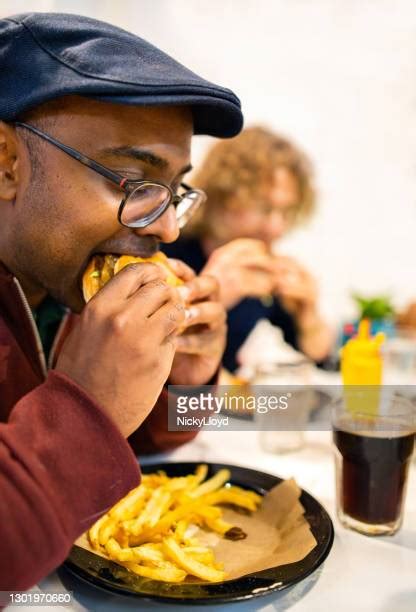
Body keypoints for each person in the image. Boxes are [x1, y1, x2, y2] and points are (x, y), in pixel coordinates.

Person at [0, 12, 243, 590]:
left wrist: (177, 384)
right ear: (7, 162)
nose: (167, 231)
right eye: (135, 181)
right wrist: (87, 406)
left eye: (175, 191)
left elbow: (138, 448)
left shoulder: (63, 287)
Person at [163, 127, 333, 372]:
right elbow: (136, 354)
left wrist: (309, 316)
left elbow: (318, 356)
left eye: (286, 212)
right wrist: (208, 296)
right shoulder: (166, 248)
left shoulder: (261, 270)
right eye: (264, 208)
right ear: (224, 196)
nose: (276, 227)